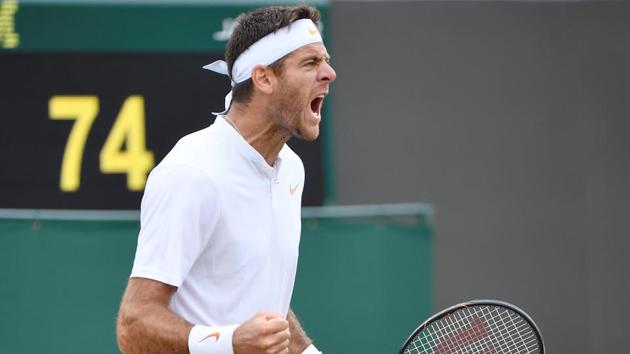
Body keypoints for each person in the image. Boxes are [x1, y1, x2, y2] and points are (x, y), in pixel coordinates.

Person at [115, 4, 336, 354]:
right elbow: (134, 325)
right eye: (310, 63)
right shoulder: (192, 173)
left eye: (324, 61)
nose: (329, 73)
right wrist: (230, 342)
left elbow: (256, 301)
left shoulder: (291, 168)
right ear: (264, 78)